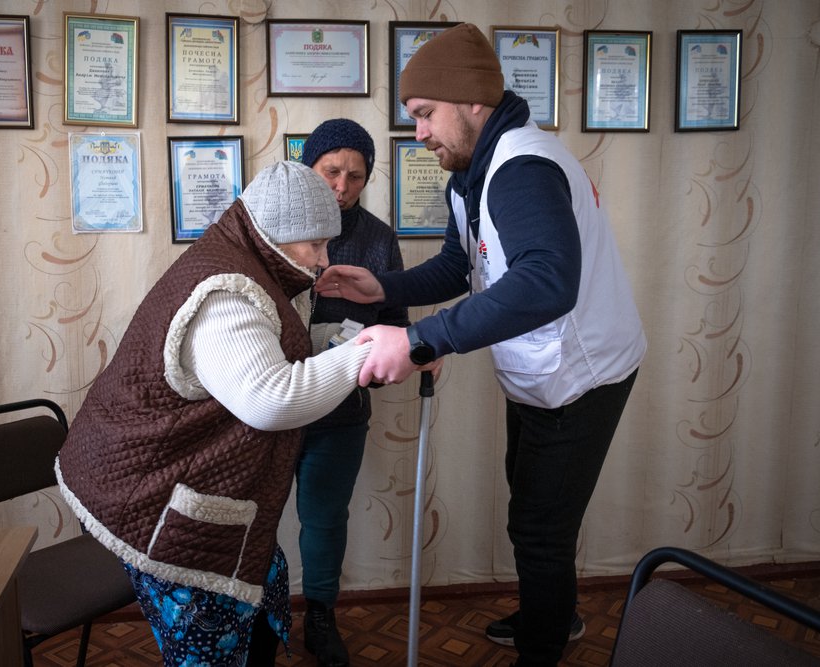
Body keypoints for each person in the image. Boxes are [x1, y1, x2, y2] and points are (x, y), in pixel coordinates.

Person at [315, 23, 647, 667]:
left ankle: (543, 645)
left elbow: (547, 281)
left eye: (424, 113)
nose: (419, 132)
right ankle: (550, 612)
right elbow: (459, 265)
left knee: (539, 528)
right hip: (539, 367)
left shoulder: (522, 169)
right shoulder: (472, 173)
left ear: (473, 100)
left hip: (581, 374)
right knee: (531, 509)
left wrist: (421, 338)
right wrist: (380, 287)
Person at [56, 161, 374, 666]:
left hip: (167, 476)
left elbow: (260, 353)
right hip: (149, 491)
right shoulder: (228, 294)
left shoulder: (241, 261)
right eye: (315, 245)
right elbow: (271, 398)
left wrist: (340, 343)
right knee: (211, 642)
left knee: (262, 591)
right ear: (274, 235)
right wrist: (368, 350)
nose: (323, 259)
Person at [296, 119, 410, 667]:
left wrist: (382, 361)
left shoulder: (379, 240)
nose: (342, 186)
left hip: (341, 406)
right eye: (331, 172)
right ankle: (257, 613)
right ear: (309, 168)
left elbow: (396, 322)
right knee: (254, 515)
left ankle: (320, 616)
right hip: (267, 402)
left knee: (324, 518)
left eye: (356, 176)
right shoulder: (276, 227)